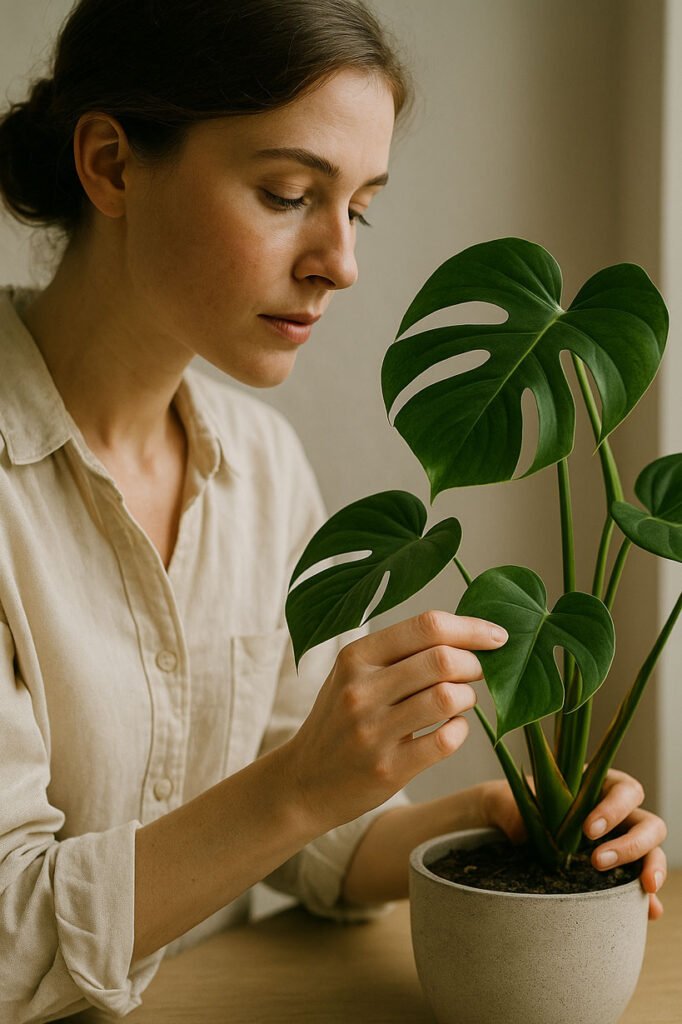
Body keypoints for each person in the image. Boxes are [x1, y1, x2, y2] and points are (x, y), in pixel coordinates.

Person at [0, 0, 667, 1020]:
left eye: (355, 209)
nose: (339, 264)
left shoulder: (260, 467)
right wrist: (301, 784)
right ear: (111, 164)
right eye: (286, 193)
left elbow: (315, 842)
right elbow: (10, 938)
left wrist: (496, 821)